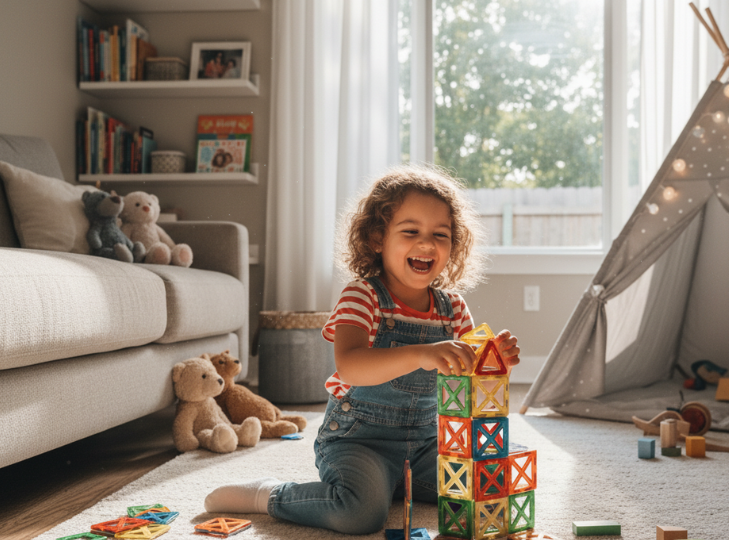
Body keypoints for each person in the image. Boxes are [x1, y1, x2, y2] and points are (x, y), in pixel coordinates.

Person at [203, 165, 520, 534]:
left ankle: (395, 487)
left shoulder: (453, 308)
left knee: (494, 475)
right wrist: (422, 353)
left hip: (425, 446)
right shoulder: (362, 296)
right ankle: (271, 495)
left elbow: (465, 377)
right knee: (360, 514)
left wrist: (495, 363)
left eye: (441, 234)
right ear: (376, 238)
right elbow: (351, 366)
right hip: (359, 441)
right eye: (410, 231)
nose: (427, 244)